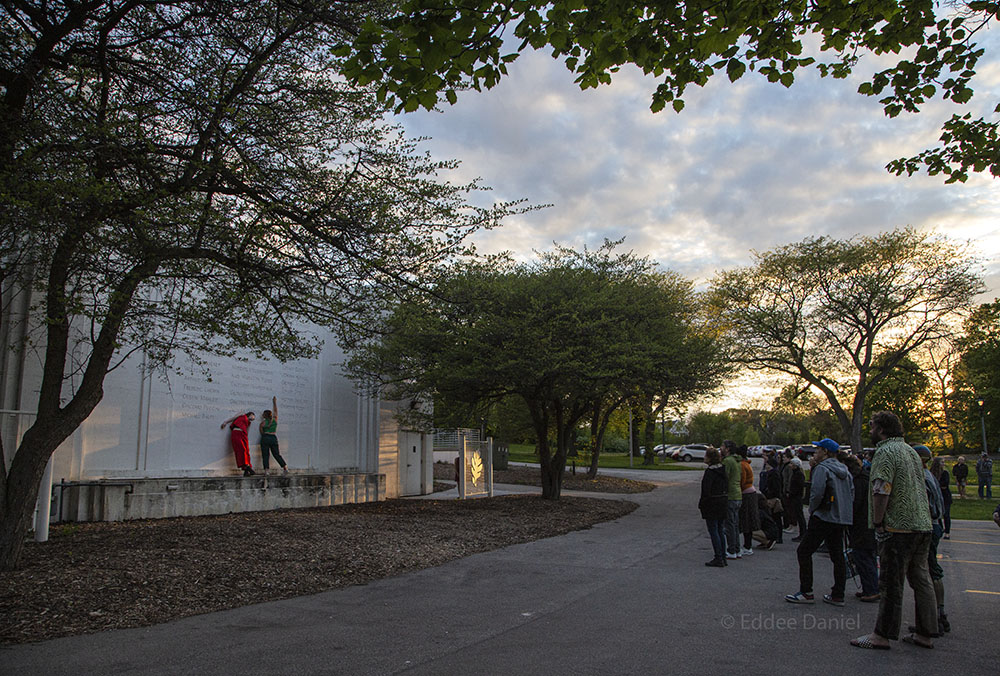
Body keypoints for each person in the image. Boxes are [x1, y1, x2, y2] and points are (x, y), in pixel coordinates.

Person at [851, 411, 937, 650]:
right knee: (921, 578)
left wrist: (878, 522)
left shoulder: (885, 452)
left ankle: (882, 635)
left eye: (871, 427)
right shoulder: (910, 451)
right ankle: (926, 632)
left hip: (898, 527)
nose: (869, 431)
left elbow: (881, 488)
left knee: (891, 582)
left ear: (881, 429)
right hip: (922, 524)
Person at [785, 438, 853, 606]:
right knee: (837, 554)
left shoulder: (822, 469)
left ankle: (806, 592)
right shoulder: (845, 470)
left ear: (826, 452)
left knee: (804, 551)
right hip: (840, 517)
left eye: (819, 449)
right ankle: (838, 593)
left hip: (823, 516)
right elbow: (851, 494)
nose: (815, 451)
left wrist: (812, 509)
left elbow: (816, 493)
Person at [913, 445, 949, 636]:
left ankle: (934, 617)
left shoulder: (923, 478)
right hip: (936, 525)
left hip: (929, 525)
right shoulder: (931, 476)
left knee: (928, 571)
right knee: (930, 569)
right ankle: (936, 613)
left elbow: (928, 506)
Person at [844, 454, 879, 602]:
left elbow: (855, 504)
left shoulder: (859, 482)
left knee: (863, 558)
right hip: (868, 524)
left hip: (861, 525)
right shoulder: (866, 478)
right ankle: (870, 587)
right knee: (868, 558)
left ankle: (871, 589)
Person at [699, 448, 729, 567]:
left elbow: (706, 490)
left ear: (710, 458)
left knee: (714, 530)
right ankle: (723, 555)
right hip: (722, 500)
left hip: (712, 503)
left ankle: (718, 557)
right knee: (720, 529)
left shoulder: (710, 472)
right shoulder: (722, 470)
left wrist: (702, 504)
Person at [721, 440, 743, 560]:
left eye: (723, 446)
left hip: (730, 495)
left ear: (728, 449)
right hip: (738, 494)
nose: (721, 448)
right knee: (735, 524)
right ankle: (737, 548)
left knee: (729, 524)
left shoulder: (728, 461)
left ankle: (731, 550)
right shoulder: (737, 460)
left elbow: (725, 477)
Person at [259, 396, 289, 475]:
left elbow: (261, 432)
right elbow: (275, 411)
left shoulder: (262, 423)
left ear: (264, 416)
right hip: (273, 437)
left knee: (265, 454)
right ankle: (285, 467)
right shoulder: (275, 420)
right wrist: (274, 402)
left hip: (265, 437)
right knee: (276, 454)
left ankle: (266, 470)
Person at [738, 446, 760, 556]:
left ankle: (747, 546)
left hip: (746, 493)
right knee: (749, 521)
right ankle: (748, 545)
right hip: (750, 492)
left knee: (746, 521)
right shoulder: (747, 464)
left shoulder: (742, 465)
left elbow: (741, 481)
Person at [221, 410, 256, 476]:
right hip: (237, 432)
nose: (253, 418)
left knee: (246, 451)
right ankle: (248, 467)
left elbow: (247, 431)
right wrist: (226, 422)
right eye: (253, 416)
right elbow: (233, 418)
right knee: (241, 449)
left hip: (244, 435)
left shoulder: (249, 423)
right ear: (251, 414)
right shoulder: (242, 414)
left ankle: (246, 471)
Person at [784, 456, 807, 542]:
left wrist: (792, 493)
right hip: (794, 496)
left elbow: (798, 487)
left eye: (791, 464)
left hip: (796, 497)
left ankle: (803, 533)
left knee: (800, 516)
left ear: (795, 465)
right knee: (798, 515)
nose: (790, 465)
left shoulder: (799, 475)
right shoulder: (795, 473)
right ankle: (802, 533)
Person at [930, 457, 951, 539]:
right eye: (942, 462)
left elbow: (944, 485)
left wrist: (937, 485)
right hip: (936, 496)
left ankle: (947, 532)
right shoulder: (932, 473)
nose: (943, 464)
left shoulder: (945, 473)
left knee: (946, 514)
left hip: (945, 496)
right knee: (936, 513)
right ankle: (940, 529)